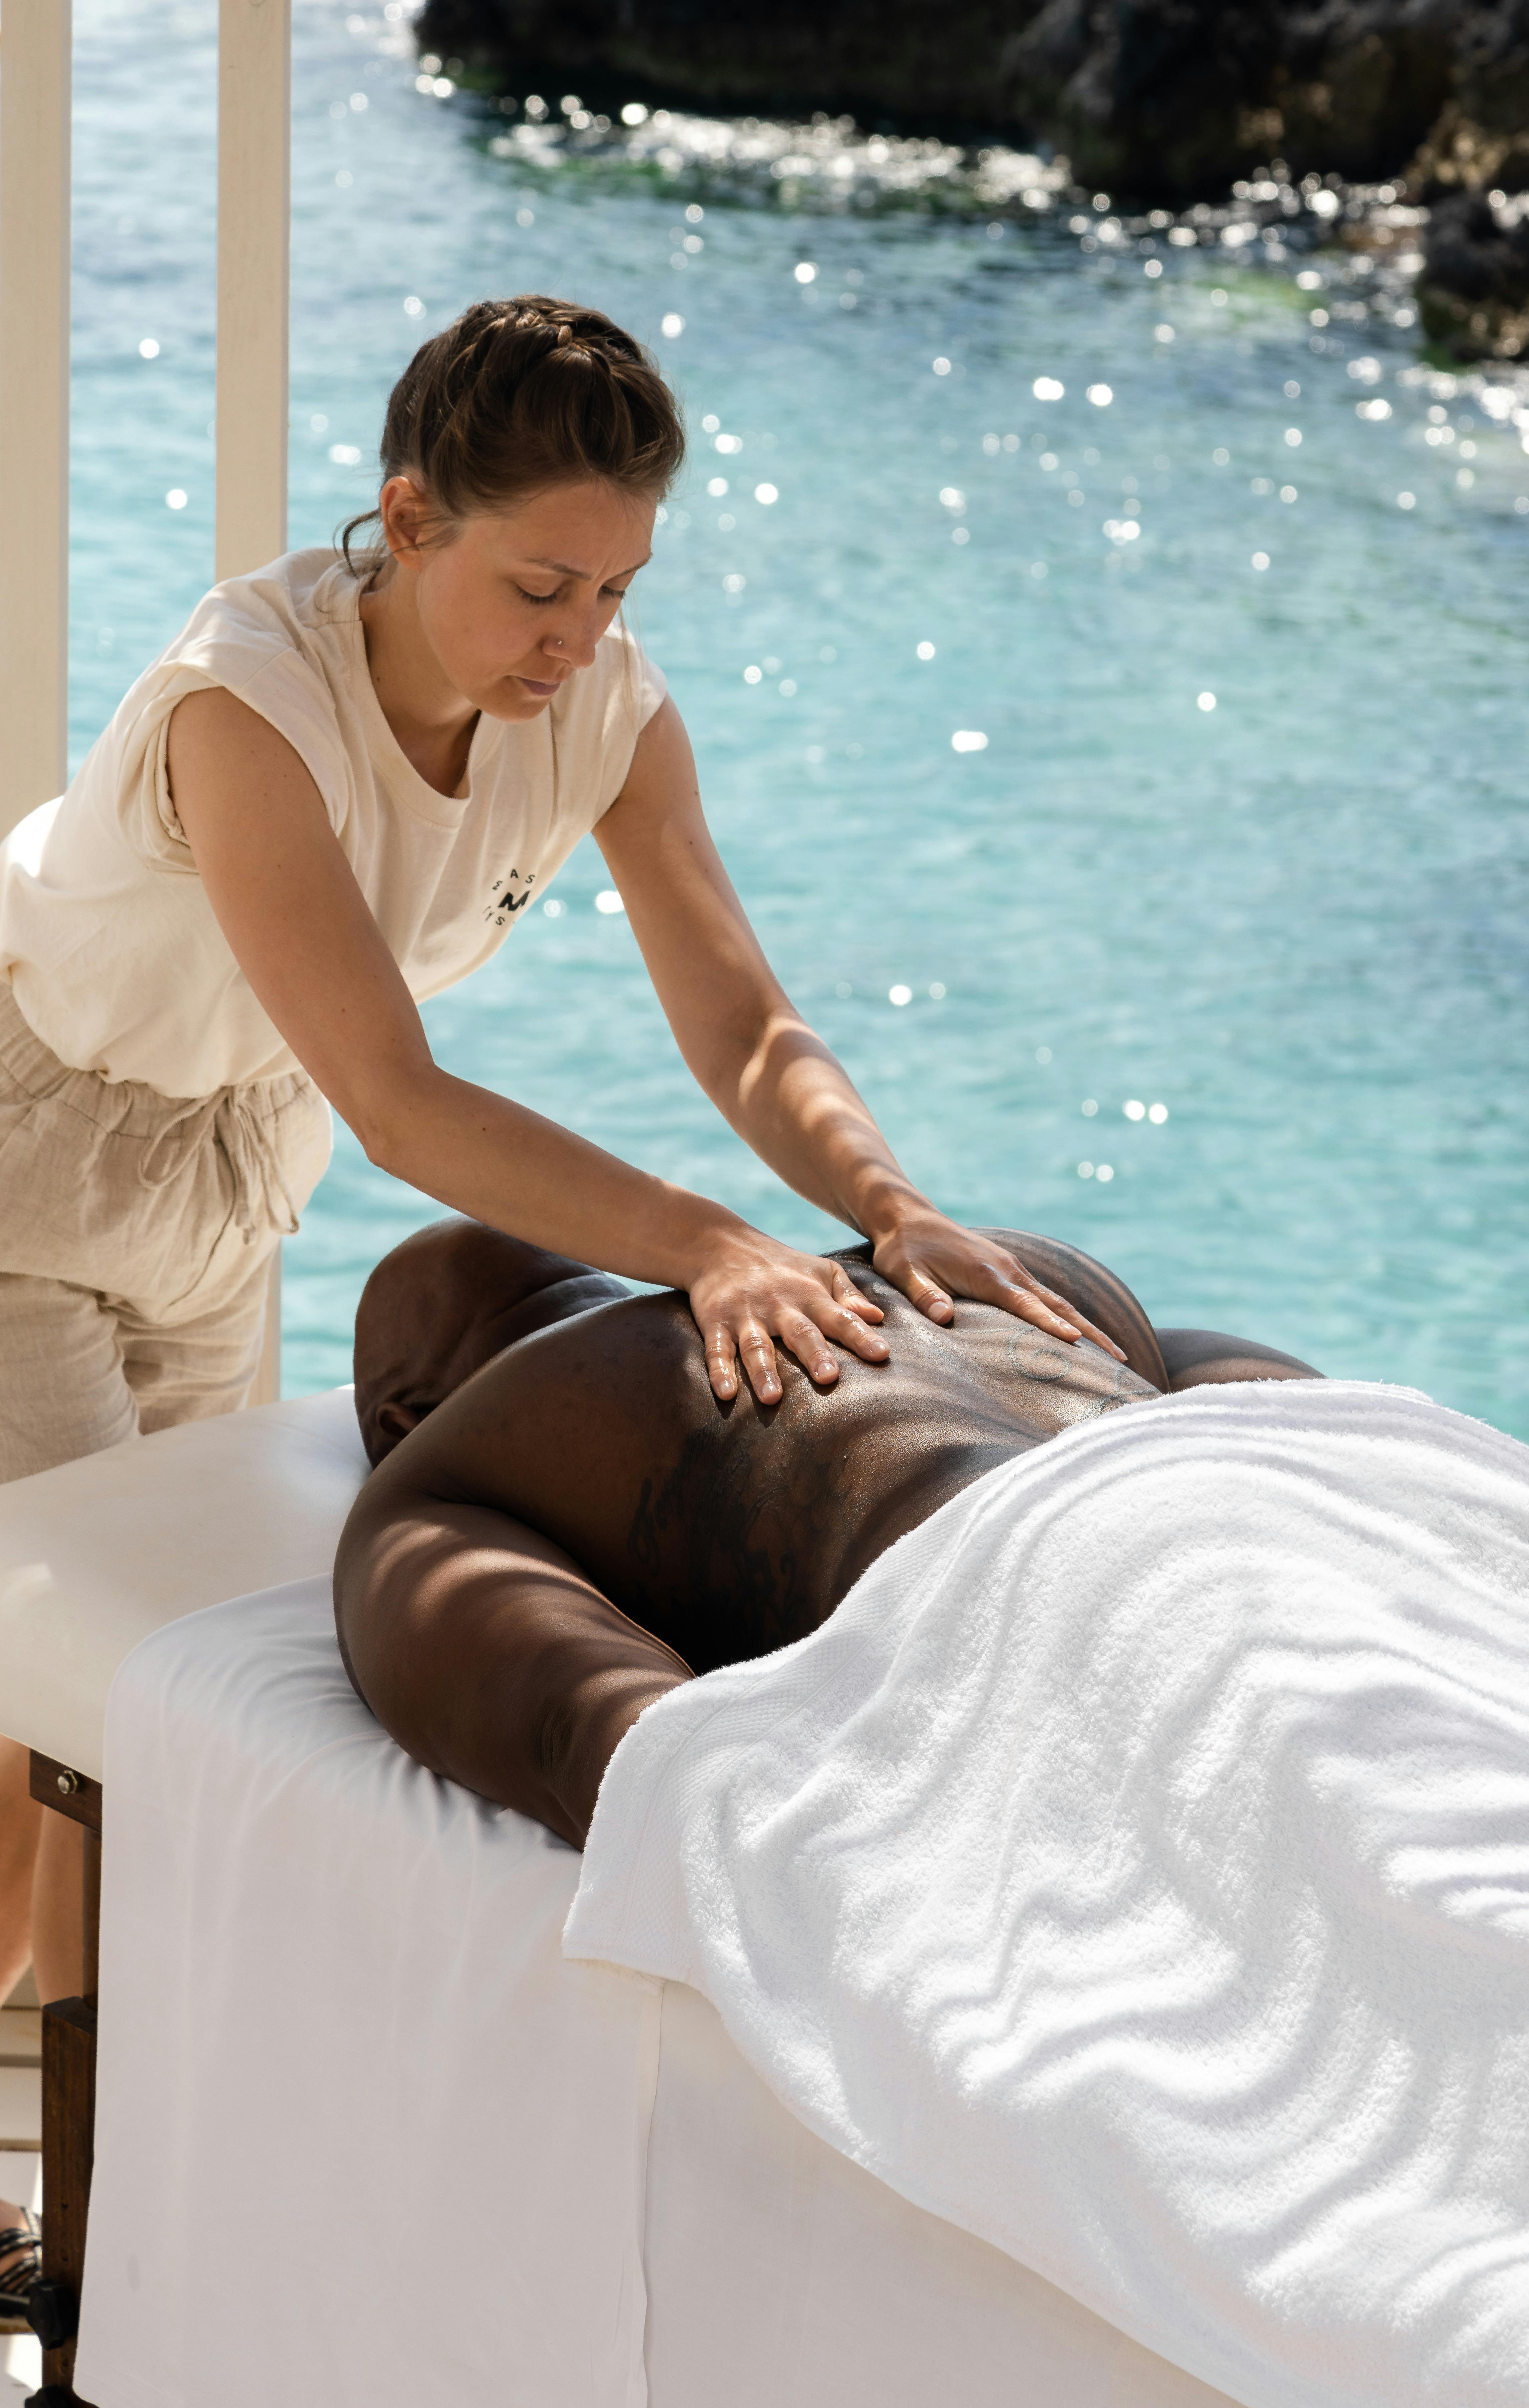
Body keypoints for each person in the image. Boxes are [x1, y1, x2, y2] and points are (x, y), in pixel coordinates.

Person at [0, 295, 1107, 2266]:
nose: (581, 640)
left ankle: (104, 2205)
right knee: (32, 1732)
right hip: (26, 1147)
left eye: (615, 589)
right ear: (409, 518)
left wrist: (891, 1201)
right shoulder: (242, 709)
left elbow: (740, 1014)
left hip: (227, 1164)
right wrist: (710, 1248)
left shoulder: (597, 705)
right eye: (539, 586)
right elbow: (405, 1102)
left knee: (135, 1721)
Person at [336, 1216, 1318, 1845]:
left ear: (398, 1422)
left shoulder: (470, 1468)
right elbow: (1293, 1407)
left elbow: (622, 1751)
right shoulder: (978, 1268)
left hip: (1064, 1623)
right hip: (1316, 1525)